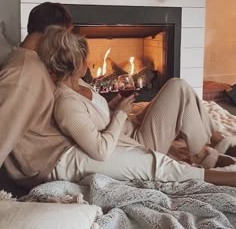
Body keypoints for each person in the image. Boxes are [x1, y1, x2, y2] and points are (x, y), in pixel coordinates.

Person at [37, 25, 236, 187]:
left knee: (179, 90)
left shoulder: (79, 83)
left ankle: (211, 143)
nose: (88, 62)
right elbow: (100, 150)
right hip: (136, 141)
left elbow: (95, 116)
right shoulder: (66, 104)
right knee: (177, 87)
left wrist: (114, 105)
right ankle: (204, 154)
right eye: (85, 57)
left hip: (129, 125)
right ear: (76, 62)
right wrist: (120, 115)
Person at [0, 2, 74, 188]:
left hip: (68, 146)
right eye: (67, 34)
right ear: (54, 32)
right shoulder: (23, 74)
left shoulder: (34, 62)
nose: (68, 41)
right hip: (54, 160)